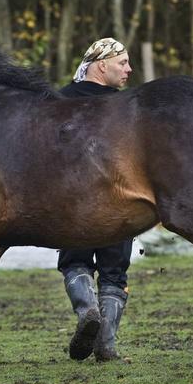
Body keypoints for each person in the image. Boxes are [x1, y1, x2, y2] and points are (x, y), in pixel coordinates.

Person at [58, 37, 134, 362]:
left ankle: (87, 310)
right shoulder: (127, 107)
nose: (129, 69)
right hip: (121, 199)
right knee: (114, 272)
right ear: (102, 66)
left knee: (75, 262)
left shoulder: (57, 100)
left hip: (74, 200)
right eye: (123, 63)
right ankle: (106, 345)